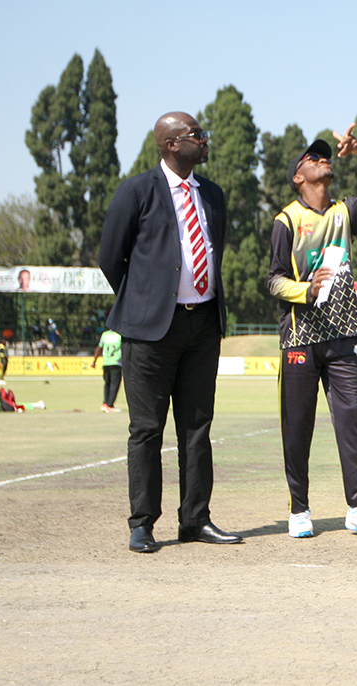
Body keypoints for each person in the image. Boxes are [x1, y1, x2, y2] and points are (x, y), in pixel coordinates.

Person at [100, 111, 242, 554]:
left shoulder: (213, 195)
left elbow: (212, 251)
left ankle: (195, 519)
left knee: (197, 427)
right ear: (170, 145)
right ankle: (143, 523)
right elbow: (110, 257)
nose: (205, 139)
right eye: (196, 134)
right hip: (149, 332)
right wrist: (144, 301)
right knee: (146, 429)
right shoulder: (137, 191)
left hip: (201, 326)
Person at [268, 125, 357, 540]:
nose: (323, 159)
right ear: (298, 177)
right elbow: (273, 281)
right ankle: (299, 509)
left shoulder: (344, 211)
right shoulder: (286, 219)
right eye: (312, 157)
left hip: (345, 334)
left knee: (352, 421)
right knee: (298, 425)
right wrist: (307, 290)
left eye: (326, 156)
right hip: (301, 338)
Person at [93, 328, 123, 412]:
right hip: (116, 362)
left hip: (106, 363)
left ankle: (105, 403)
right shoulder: (119, 335)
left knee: (107, 384)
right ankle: (110, 405)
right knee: (115, 384)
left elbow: (98, 348)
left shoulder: (105, 335)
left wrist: (94, 361)